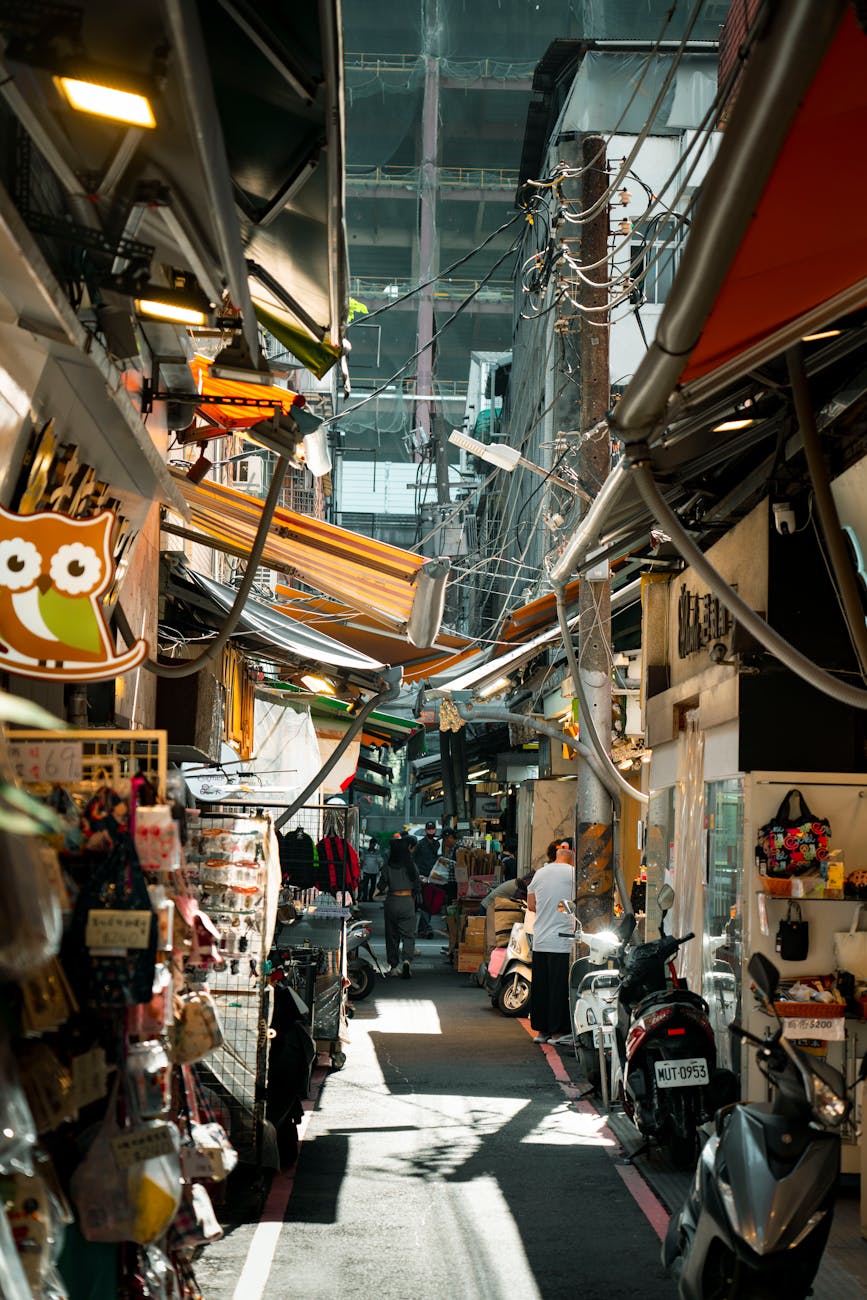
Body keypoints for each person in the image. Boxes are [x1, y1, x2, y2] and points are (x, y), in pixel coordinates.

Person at [527, 843, 575, 1044]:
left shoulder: (540, 873)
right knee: (558, 988)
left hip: (540, 939)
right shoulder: (573, 874)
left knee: (541, 987)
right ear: (572, 854)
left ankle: (541, 1032)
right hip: (561, 940)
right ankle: (557, 1033)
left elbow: (531, 905)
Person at [379, 836, 421, 978]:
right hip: (407, 901)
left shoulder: (388, 866)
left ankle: (393, 966)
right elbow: (417, 886)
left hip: (392, 900)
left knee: (391, 935)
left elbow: (381, 885)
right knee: (409, 935)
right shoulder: (411, 866)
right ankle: (407, 961)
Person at [360, 837, 382, 902]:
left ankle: (370, 898)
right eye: (372, 844)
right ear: (370, 844)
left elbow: (380, 862)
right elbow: (362, 860)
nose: (373, 845)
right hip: (366, 871)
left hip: (374, 872)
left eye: (374, 844)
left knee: (373, 886)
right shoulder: (365, 852)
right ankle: (364, 897)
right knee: (365, 885)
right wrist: (361, 869)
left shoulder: (377, 852)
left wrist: (379, 869)